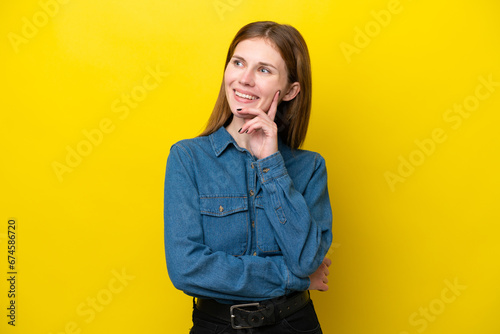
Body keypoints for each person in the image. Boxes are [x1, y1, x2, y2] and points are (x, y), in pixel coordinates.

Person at [164, 21, 333, 333]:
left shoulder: (310, 168)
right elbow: (186, 269)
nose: (244, 79)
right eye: (238, 62)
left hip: (294, 325)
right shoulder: (188, 158)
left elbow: (307, 259)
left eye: (264, 70)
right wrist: (292, 278)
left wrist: (271, 164)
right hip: (216, 326)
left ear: (291, 91)